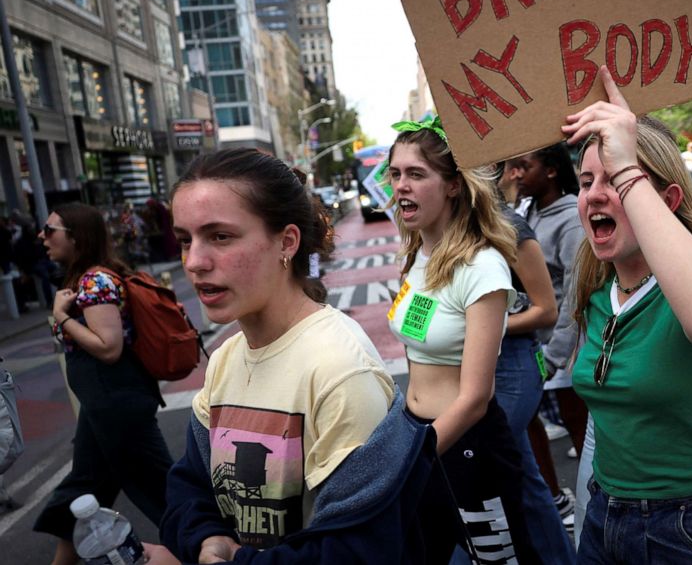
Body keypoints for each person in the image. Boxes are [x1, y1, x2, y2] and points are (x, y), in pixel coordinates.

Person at [151, 148, 433, 564]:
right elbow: (189, 487)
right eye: (185, 240)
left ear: (286, 242)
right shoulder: (226, 358)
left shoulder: (340, 371)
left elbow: (355, 549)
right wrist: (206, 539)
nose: (194, 261)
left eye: (220, 237)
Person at [560, 66, 692, 564]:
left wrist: (628, 166)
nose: (595, 195)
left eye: (618, 180)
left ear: (666, 200)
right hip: (605, 519)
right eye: (586, 182)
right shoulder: (598, 291)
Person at [386, 119, 539, 563]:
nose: (401, 187)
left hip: (466, 446)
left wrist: (415, 458)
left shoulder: (482, 267)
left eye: (416, 174)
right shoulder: (416, 255)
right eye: (396, 174)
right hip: (418, 433)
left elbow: (476, 396)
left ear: (453, 185)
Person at [32, 203, 173, 565]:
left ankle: (214, 553)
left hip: (116, 406)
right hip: (103, 407)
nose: (41, 237)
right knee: (83, 488)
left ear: (77, 236)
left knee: (167, 495)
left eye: (50, 230)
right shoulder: (82, 280)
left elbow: (109, 348)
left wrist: (62, 317)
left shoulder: (95, 281)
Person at [451, 162, 575, 563]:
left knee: (482, 469)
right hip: (475, 366)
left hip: (515, 370)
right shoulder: (451, 229)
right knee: (525, 478)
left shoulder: (509, 227)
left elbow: (547, 311)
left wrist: (486, 325)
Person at [513, 143, 589, 523]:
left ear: (552, 171)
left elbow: (576, 290)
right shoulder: (526, 211)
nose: (516, 174)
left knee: (582, 431)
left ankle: (595, 507)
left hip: (565, 350)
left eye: (523, 166)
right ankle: (556, 500)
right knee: (530, 422)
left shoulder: (572, 220)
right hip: (535, 344)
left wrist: (558, 354)